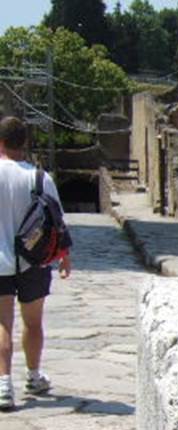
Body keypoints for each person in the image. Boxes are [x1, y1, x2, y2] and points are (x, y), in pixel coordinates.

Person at [0, 116, 71, 411]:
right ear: (25, 142)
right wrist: (65, 256)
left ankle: (3, 385)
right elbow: (57, 222)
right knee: (33, 322)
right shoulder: (41, 178)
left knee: (2, 322)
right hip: (33, 261)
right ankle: (33, 375)